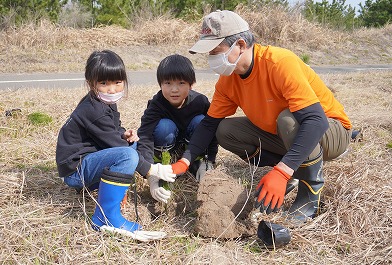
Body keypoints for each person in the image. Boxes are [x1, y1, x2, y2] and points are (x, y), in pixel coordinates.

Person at [170, 10, 352, 222]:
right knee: (226, 131)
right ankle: (291, 171)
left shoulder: (280, 63)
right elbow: (210, 124)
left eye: (215, 51)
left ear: (239, 45)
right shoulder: (228, 79)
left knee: (288, 119)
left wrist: (282, 171)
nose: (211, 59)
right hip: (285, 133)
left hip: (330, 131)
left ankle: (309, 192)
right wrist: (186, 159)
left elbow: (315, 120)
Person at [56, 50, 175, 241]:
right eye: (104, 83)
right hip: (75, 170)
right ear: (91, 83)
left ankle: (113, 191)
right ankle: (105, 217)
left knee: (131, 146)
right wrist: (151, 170)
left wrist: (124, 133)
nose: (112, 89)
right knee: (128, 156)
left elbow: (113, 129)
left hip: (86, 160)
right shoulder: (94, 110)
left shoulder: (102, 101)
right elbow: (121, 150)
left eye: (117, 82)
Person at [136, 54, 218, 203]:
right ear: (160, 84)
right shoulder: (156, 105)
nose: (174, 90)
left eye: (181, 83)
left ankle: (196, 161)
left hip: (192, 142)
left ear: (191, 84)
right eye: (168, 83)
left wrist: (210, 159)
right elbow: (145, 136)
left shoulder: (200, 101)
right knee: (164, 127)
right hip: (167, 140)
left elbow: (212, 129)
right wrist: (151, 174)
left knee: (201, 122)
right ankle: (163, 160)